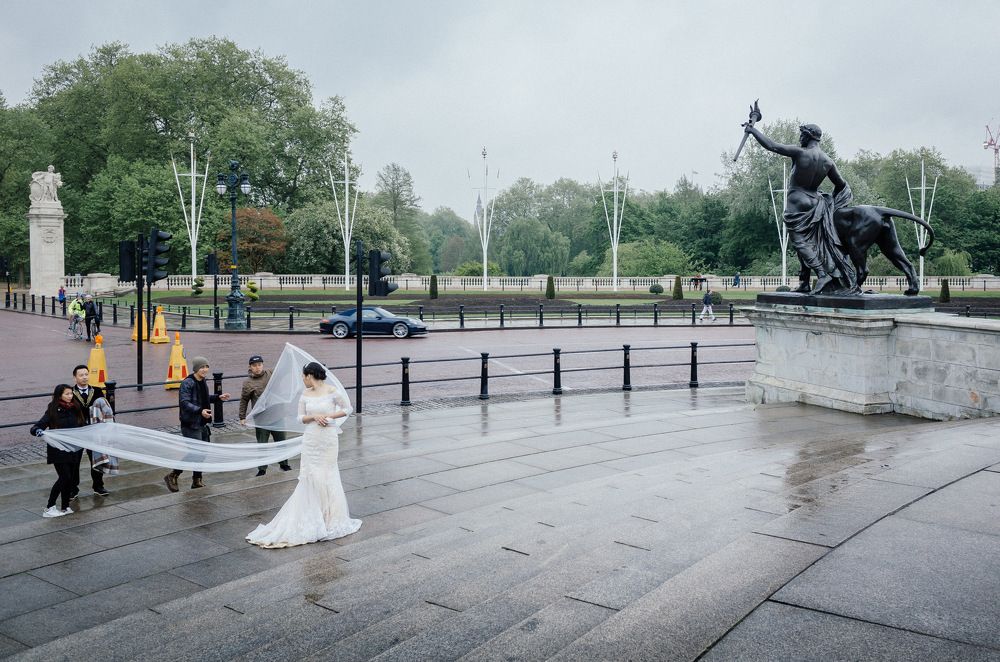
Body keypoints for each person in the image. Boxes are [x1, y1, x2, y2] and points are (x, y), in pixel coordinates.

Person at [246, 361, 361, 548]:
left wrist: (330, 417)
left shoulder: (332, 391)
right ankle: (314, 514)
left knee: (328, 474)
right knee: (312, 475)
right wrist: (314, 417)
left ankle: (331, 516)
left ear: (310, 375)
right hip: (312, 439)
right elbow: (300, 417)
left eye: (303, 376)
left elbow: (347, 408)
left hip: (328, 438)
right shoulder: (306, 394)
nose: (302, 379)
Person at [743, 122, 857, 294]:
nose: (799, 138)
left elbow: (772, 146)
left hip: (797, 201)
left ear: (807, 136)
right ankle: (804, 282)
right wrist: (831, 203)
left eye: (801, 134)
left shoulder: (800, 152)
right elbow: (841, 185)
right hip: (815, 203)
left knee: (800, 242)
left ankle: (822, 274)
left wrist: (753, 130)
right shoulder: (828, 161)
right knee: (808, 243)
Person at [164, 357, 230, 492]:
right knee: (195, 453)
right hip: (191, 424)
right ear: (195, 369)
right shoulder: (187, 383)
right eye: (202, 367)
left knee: (202, 452)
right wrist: (200, 411)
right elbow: (184, 402)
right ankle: (173, 475)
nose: (205, 370)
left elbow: (203, 399)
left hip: (202, 423)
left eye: (206, 366)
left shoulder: (202, 381)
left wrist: (218, 397)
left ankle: (197, 480)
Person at [30, 385, 85, 518]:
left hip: (73, 449)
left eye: (71, 393)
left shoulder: (76, 407)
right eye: (67, 394)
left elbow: (82, 425)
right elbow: (37, 427)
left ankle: (65, 507)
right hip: (58, 450)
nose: (70, 396)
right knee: (64, 477)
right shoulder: (53, 410)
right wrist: (37, 431)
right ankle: (50, 507)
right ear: (59, 395)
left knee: (69, 479)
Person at [240, 355, 291, 477]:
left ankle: (284, 464)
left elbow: (284, 370)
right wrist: (242, 417)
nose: (257, 367)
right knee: (262, 445)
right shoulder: (247, 383)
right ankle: (262, 469)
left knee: (281, 442)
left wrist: (288, 356)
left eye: (259, 365)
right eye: (254, 365)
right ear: (250, 367)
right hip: (261, 419)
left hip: (277, 415)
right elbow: (244, 400)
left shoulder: (271, 373)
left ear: (263, 365)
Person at [71, 365, 110, 497]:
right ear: (75, 377)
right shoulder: (70, 392)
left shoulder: (97, 391)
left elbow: (104, 409)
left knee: (96, 458)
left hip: (94, 431)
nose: (84, 377)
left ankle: (98, 486)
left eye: (86, 374)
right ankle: (73, 489)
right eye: (81, 375)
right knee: (74, 461)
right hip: (78, 432)